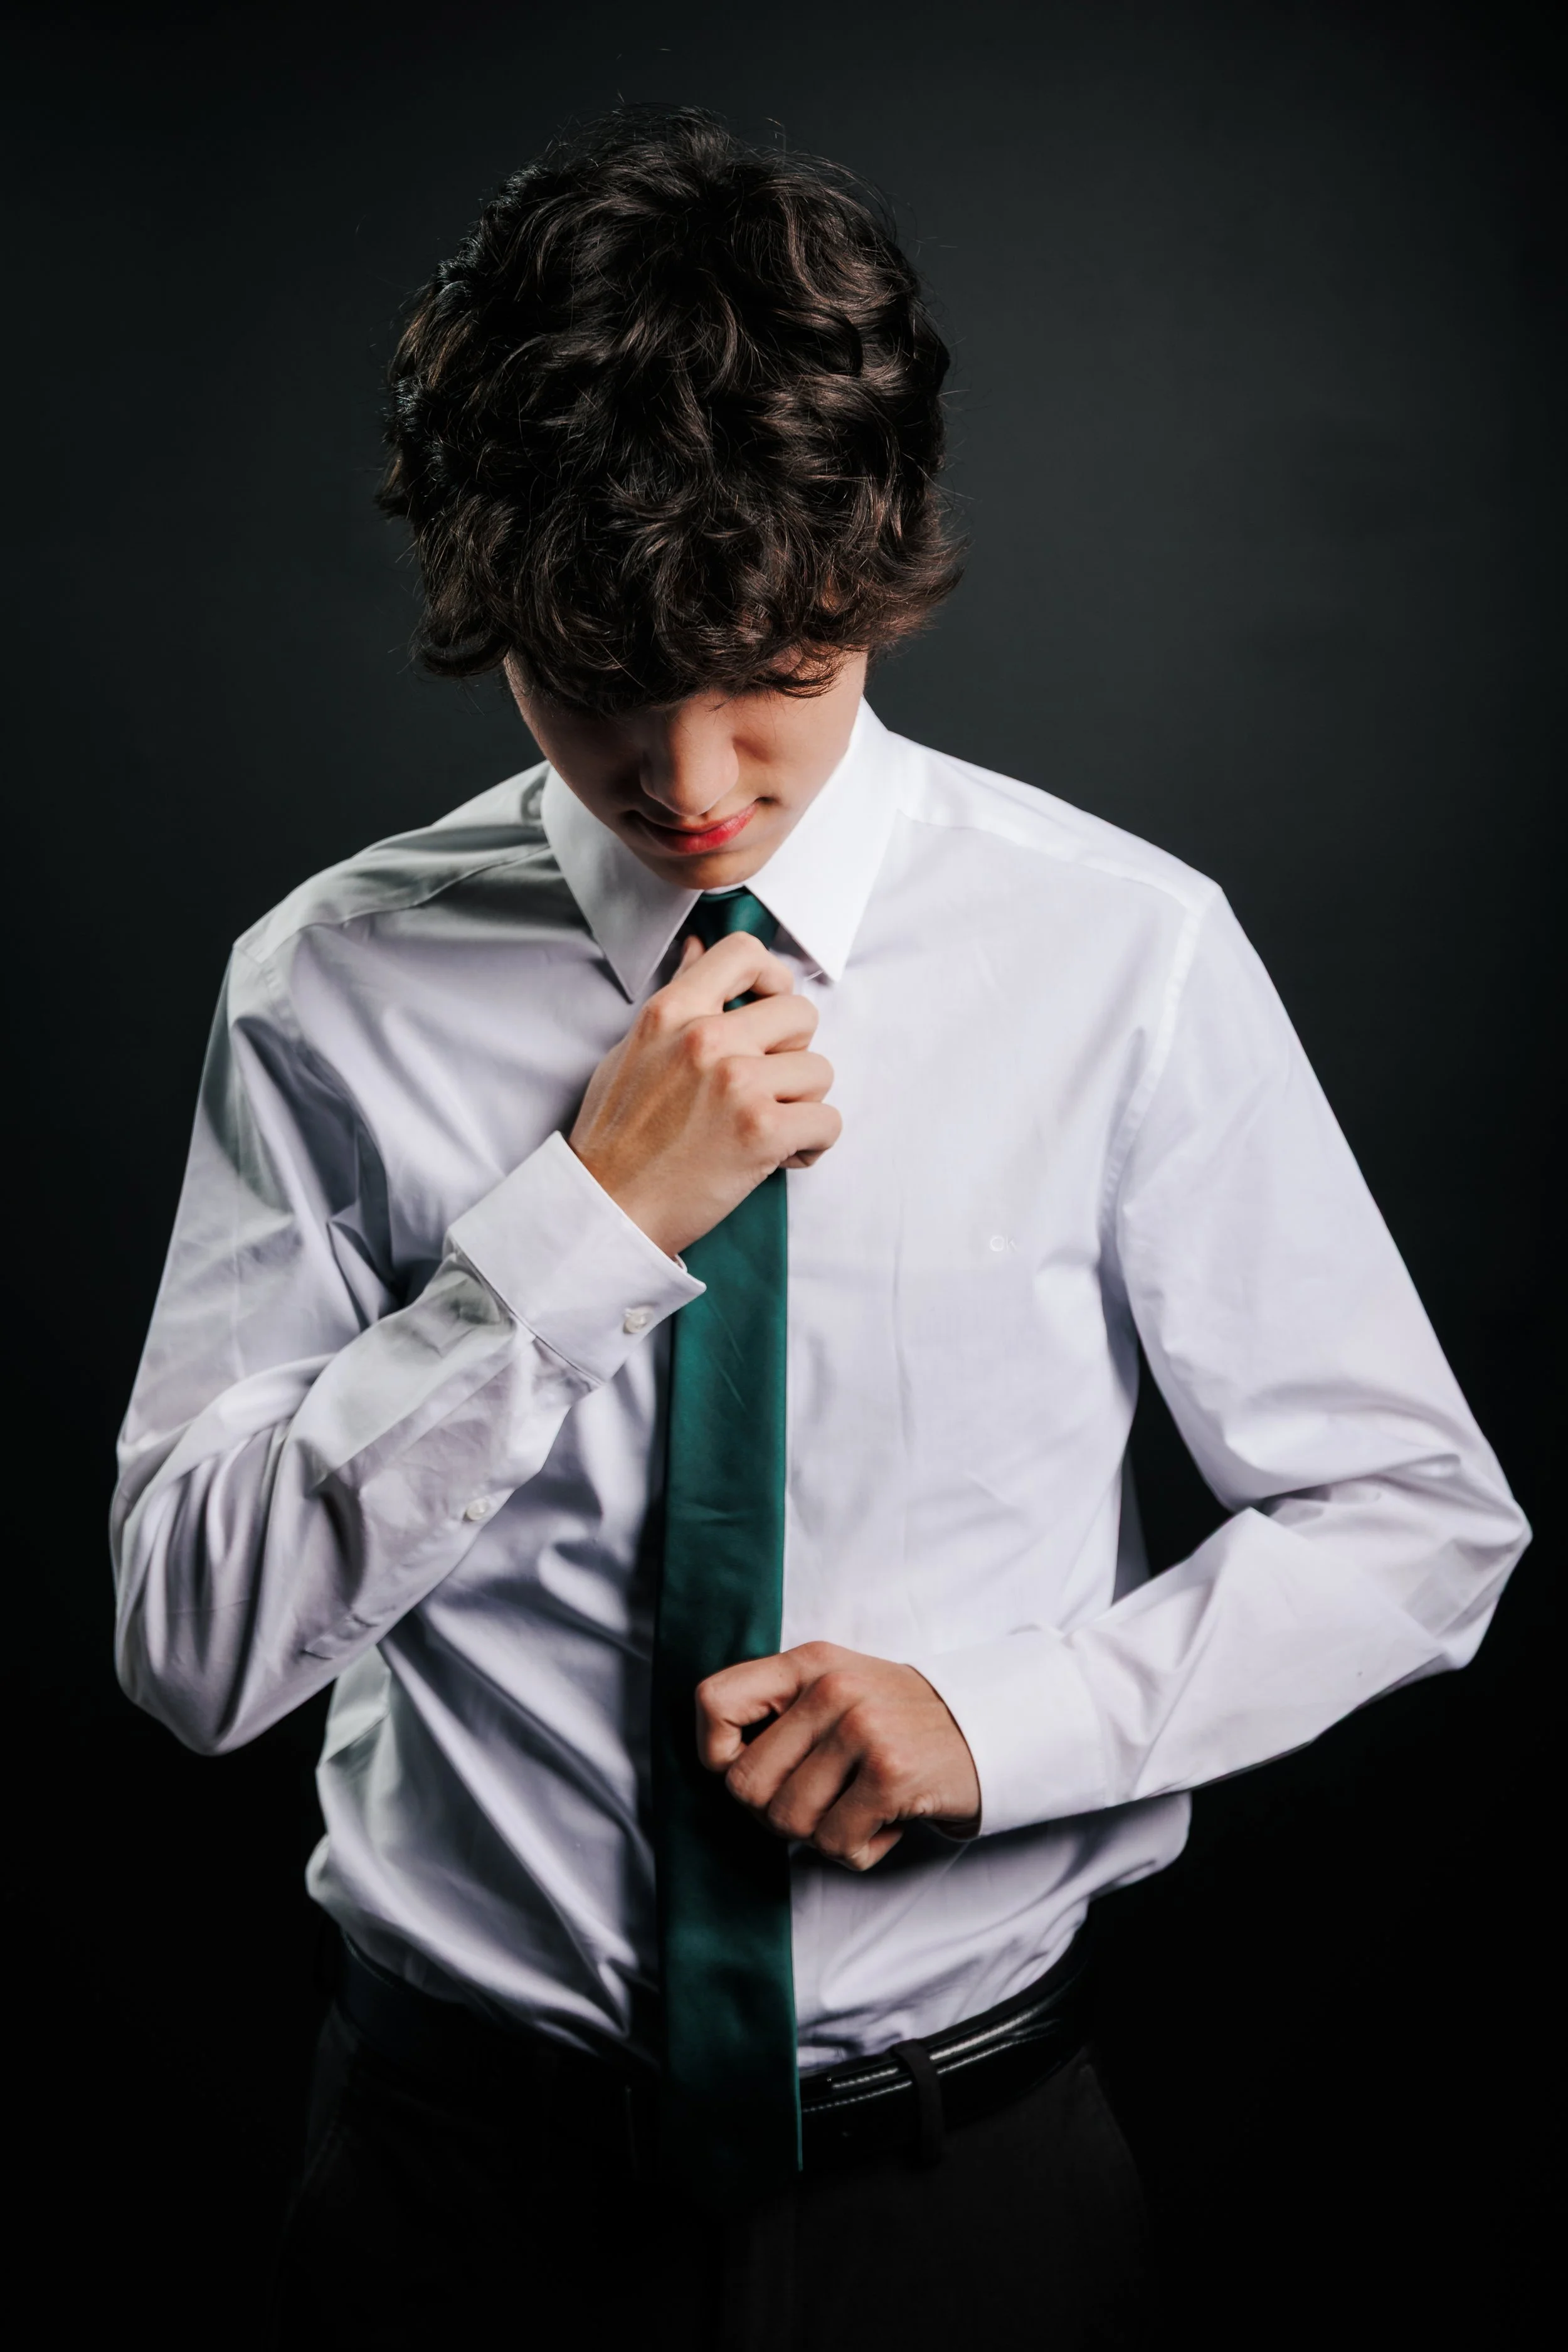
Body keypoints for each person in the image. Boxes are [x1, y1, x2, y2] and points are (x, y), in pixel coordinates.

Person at [110, 107, 1528, 2352]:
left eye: (770, 671)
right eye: (593, 682)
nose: (687, 778)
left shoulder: (1122, 954)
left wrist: (1009, 1723)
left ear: (877, 575)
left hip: (971, 2211)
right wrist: (576, 1227)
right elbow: (194, 1643)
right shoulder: (332, 982)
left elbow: (1417, 1519)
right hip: (447, 2208)